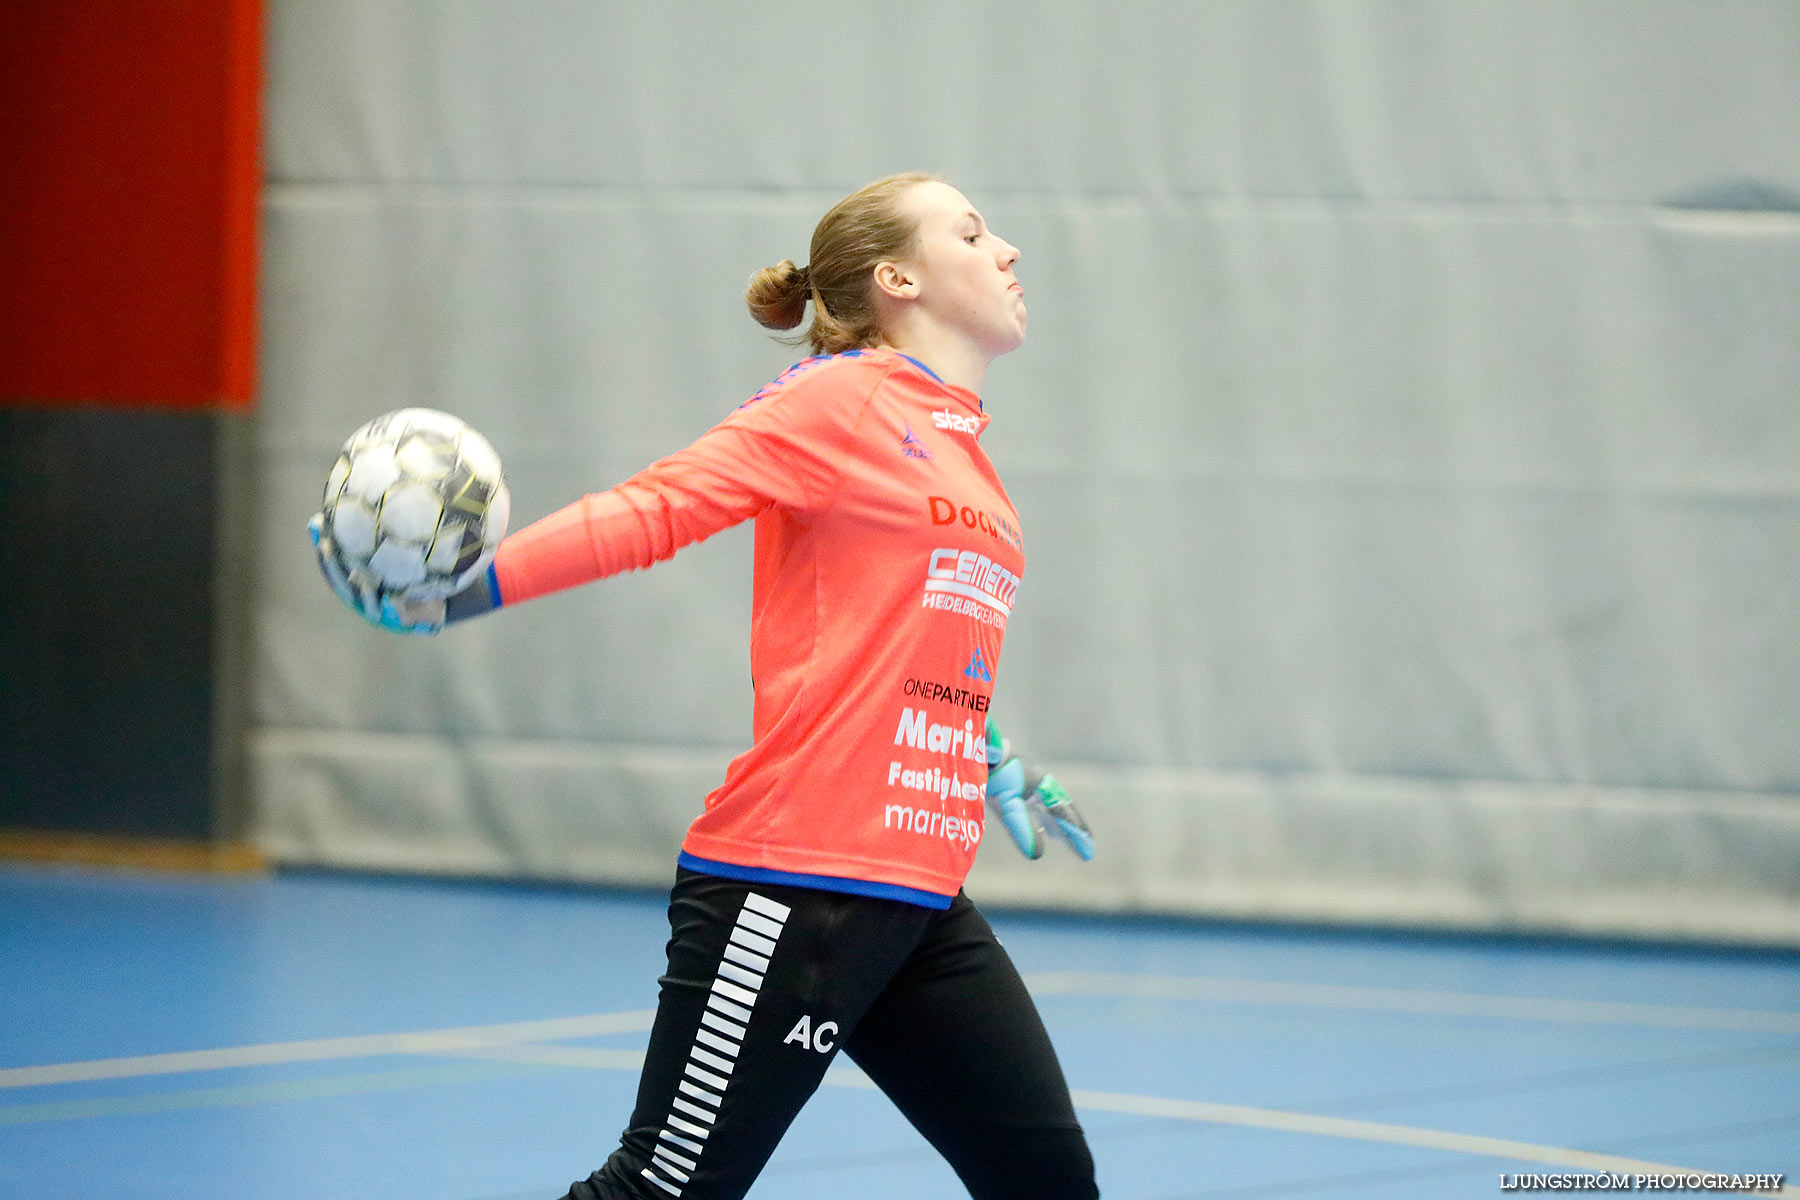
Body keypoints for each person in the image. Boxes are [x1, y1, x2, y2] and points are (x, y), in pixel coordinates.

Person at [312, 172, 1098, 1199]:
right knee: (659, 1190)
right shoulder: (838, 399)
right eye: (972, 231)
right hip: (797, 885)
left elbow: (906, 637)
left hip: (916, 898)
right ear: (898, 277)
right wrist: (468, 592)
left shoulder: (965, 455)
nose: (1009, 252)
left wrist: (980, 750)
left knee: (1044, 1179)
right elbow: (658, 507)